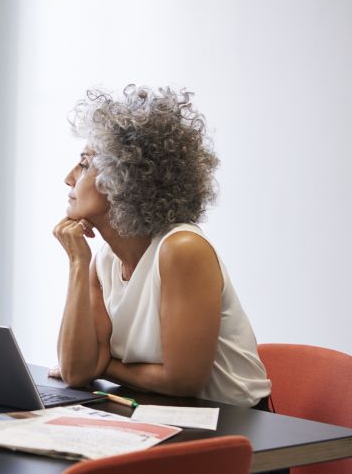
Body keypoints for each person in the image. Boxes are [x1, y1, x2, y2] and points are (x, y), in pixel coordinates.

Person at [52, 85, 271, 409]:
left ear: (124, 178)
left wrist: (106, 365)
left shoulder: (182, 249)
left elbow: (183, 381)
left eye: (85, 163)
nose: (69, 178)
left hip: (235, 431)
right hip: (161, 418)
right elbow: (75, 371)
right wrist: (76, 263)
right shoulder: (104, 261)